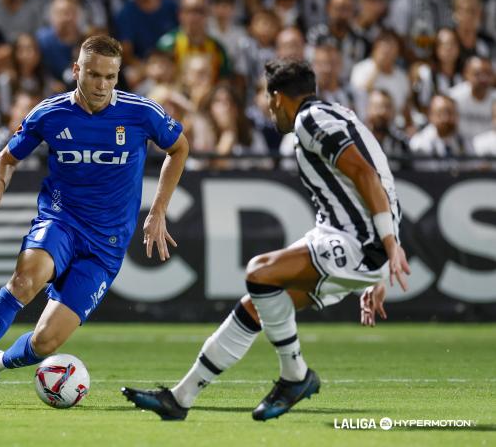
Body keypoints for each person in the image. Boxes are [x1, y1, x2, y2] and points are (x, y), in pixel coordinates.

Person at [122, 59, 410, 422]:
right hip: (346, 237)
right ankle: (180, 398)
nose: (268, 107)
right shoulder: (337, 113)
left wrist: (386, 246)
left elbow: (365, 173)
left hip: (356, 242)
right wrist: (382, 264)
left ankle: (296, 376)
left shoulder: (310, 121)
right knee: (256, 304)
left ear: (277, 97)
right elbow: (382, 179)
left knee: (260, 273)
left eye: (266, 98)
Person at [0, 35, 189, 409]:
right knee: (24, 282)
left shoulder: (141, 113)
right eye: (93, 75)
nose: (102, 85)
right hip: (61, 222)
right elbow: (6, 158)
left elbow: (179, 147)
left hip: (106, 245)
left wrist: (157, 211)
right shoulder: (50, 113)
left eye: (110, 76)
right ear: (77, 70)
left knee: (45, 343)